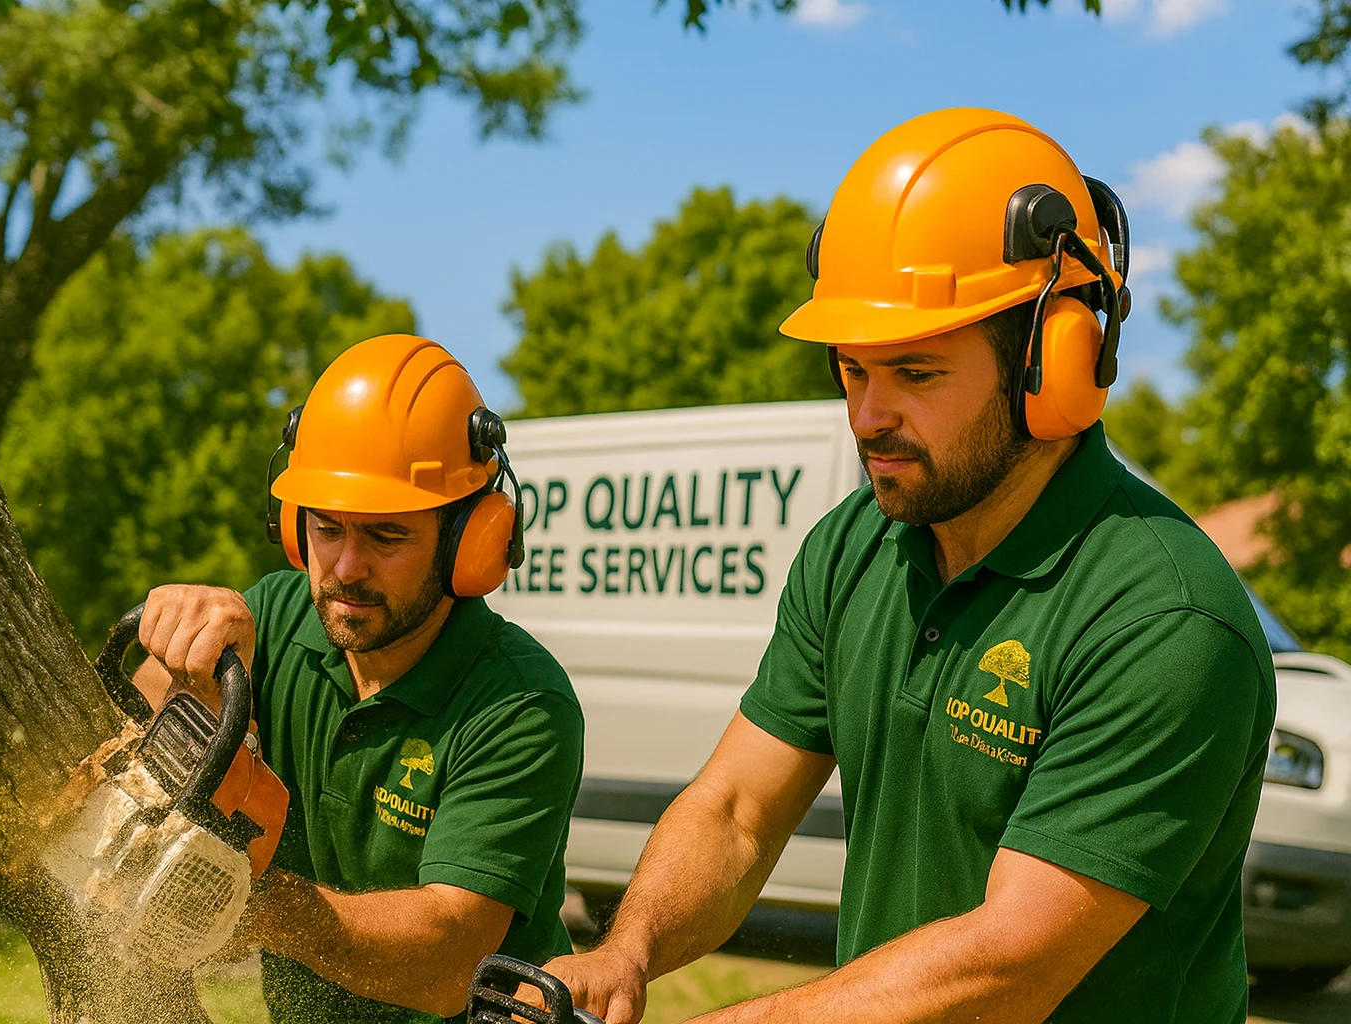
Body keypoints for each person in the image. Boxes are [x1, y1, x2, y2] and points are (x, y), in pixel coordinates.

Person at [545, 108, 1275, 1024]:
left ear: (1055, 361)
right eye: (852, 370)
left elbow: (1008, 965)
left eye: (916, 374)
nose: (866, 417)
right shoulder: (854, 548)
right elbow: (736, 810)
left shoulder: (1164, 620)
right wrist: (626, 954)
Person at [132, 334, 584, 1022]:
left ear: (469, 540)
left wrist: (241, 899)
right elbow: (122, 734)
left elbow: (449, 960)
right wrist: (191, 673)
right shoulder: (274, 617)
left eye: (386, 535)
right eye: (327, 528)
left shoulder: (521, 704)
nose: (346, 568)